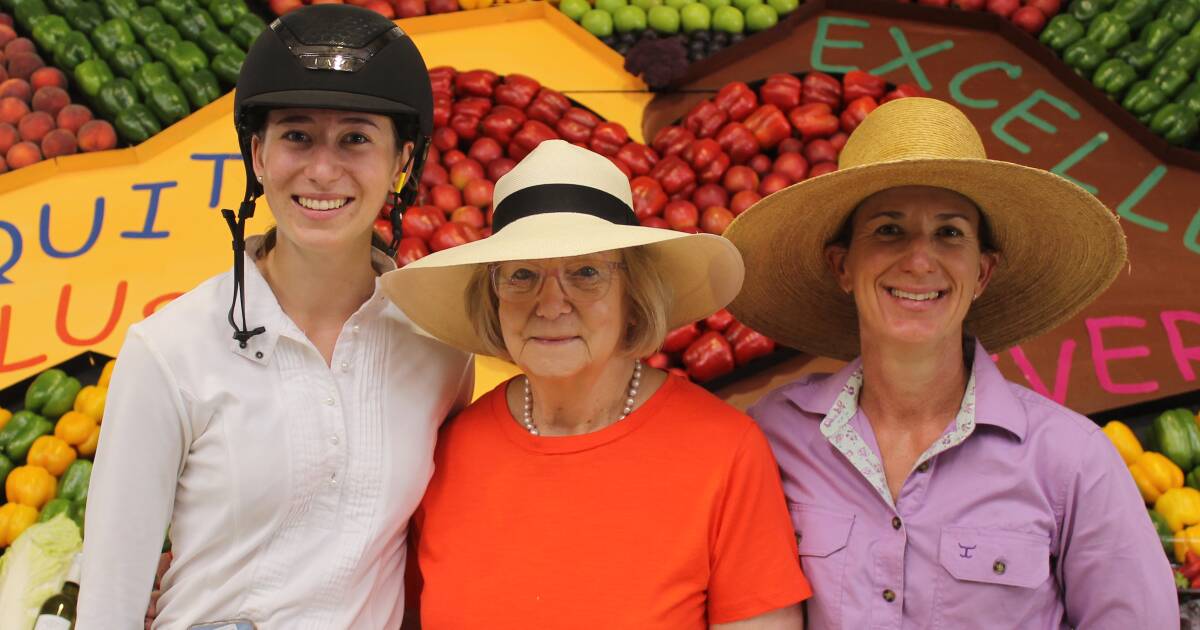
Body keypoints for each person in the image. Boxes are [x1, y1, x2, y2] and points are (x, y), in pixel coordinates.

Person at [77, 6, 473, 628]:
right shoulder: (170, 350)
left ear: (402, 161)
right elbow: (109, 596)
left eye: (356, 138)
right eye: (296, 135)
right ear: (257, 156)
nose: (322, 168)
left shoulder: (440, 341)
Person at [722, 97, 1178, 629]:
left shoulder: (1070, 459)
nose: (919, 260)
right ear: (842, 264)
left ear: (982, 273)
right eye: (888, 230)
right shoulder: (774, 436)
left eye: (950, 233)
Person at [381, 139, 810, 629]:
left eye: (585, 272)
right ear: (493, 296)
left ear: (635, 293)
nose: (551, 304)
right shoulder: (448, 451)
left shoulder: (725, 451)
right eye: (521, 275)